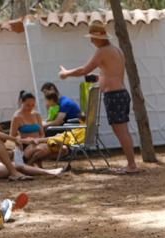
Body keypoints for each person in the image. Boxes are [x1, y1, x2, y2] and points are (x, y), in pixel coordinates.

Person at [60, 21, 139, 173]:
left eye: (92, 38)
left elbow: (83, 69)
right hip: (121, 93)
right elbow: (112, 74)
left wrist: (66, 73)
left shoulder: (102, 51)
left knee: (121, 131)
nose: (91, 41)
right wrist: (99, 78)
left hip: (114, 95)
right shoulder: (116, 50)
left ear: (100, 38)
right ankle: (131, 163)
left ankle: (132, 165)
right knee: (123, 130)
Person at [10, 91, 54, 167]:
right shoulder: (17, 117)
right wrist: (22, 141)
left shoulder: (36, 115)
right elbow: (11, 136)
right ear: (21, 102)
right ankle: (29, 164)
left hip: (39, 141)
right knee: (41, 150)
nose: (30, 107)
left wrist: (40, 140)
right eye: (27, 105)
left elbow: (42, 133)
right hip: (26, 144)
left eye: (33, 105)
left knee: (62, 149)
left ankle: (34, 164)